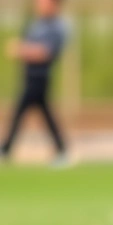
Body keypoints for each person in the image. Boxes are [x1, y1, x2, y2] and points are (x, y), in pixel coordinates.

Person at [1, 0, 70, 167]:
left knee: (20, 110)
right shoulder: (36, 24)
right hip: (29, 76)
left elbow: (45, 52)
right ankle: (61, 150)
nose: (39, 4)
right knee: (43, 113)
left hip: (41, 77)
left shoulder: (58, 27)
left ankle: (5, 150)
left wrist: (21, 50)